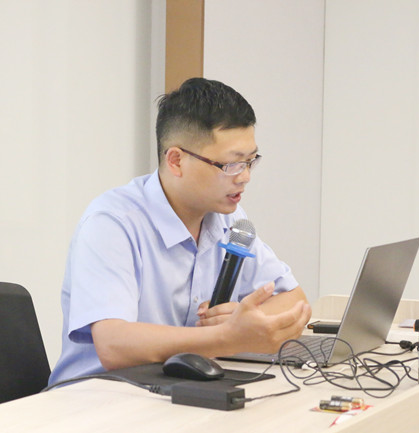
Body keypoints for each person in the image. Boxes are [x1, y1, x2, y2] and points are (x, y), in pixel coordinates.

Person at [48, 78, 311, 384]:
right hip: (97, 398)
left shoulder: (229, 218)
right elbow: (113, 344)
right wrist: (226, 337)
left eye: (251, 161)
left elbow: (294, 299)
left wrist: (243, 318)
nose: (245, 177)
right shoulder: (112, 223)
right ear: (176, 160)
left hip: (177, 390)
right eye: (231, 165)